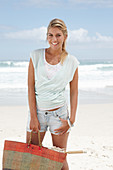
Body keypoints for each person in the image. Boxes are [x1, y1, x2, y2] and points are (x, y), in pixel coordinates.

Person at [26, 18, 79, 170]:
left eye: (58, 35)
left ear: (65, 37)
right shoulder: (35, 56)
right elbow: (30, 87)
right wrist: (34, 117)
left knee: (60, 160)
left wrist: (71, 120)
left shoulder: (72, 62)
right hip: (37, 113)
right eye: (50, 35)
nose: (54, 39)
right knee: (32, 159)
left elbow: (74, 91)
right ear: (47, 36)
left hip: (60, 115)